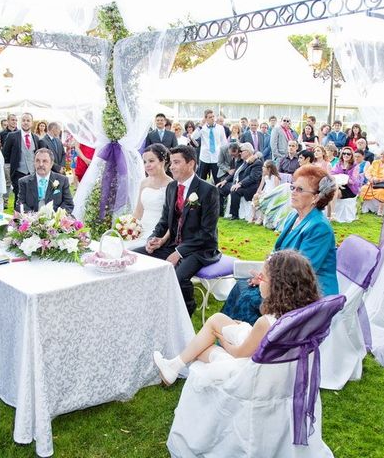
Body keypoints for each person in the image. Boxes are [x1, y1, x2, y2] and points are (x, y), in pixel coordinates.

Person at [153, 250, 321, 385]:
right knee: (217, 319)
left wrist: (221, 339)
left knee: (203, 348)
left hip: (252, 372)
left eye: (261, 277)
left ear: (278, 286)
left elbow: (239, 354)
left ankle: (174, 366)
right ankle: (174, 366)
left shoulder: (265, 322)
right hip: (278, 363)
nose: (257, 280)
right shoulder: (303, 313)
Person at [222, 166, 338, 325]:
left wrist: (266, 281)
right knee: (241, 287)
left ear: (316, 198)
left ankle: (247, 345)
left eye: (300, 189)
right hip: (282, 282)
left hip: (308, 292)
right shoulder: (294, 216)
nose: (293, 192)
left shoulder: (320, 228)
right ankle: (228, 336)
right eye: (293, 187)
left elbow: (302, 273)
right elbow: (276, 252)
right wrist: (263, 275)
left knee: (248, 299)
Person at [134, 145, 221, 316]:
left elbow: (207, 233)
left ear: (190, 164)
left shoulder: (208, 191)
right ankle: (148, 303)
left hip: (200, 249)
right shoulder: (172, 187)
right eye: (171, 162)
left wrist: (179, 253)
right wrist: (154, 238)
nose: (171, 166)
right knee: (137, 256)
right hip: (174, 244)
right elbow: (164, 221)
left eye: (176, 162)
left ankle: (186, 311)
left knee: (178, 277)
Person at [132, 144, 172, 242]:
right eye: (145, 162)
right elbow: (138, 211)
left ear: (162, 161)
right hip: (141, 229)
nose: (147, 165)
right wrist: (130, 228)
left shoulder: (171, 185)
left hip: (160, 232)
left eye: (151, 161)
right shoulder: (144, 182)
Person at [17, 148, 73, 214]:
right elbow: (20, 204)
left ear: (51, 164)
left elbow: (68, 203)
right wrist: (33, 217)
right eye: (37, 161)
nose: (40, 164)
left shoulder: (62, 180)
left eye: (44, 161)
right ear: (34, 163)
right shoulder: (24, 182)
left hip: (55, 220)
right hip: (32, 220)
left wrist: (56, 217)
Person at [218, 143, 263, 220]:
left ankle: (234, 215)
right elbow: (235, 173)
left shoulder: (256, 162)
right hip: (236, 183)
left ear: (248, 152)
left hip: (249, 186)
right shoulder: (241, 161)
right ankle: (219, 212)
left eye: (241, 151)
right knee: (219, 188)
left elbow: (252, 178)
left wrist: (240, 184)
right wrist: (225, 181)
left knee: (235, 191)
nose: (240, 153)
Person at [3, 112, 39, 200]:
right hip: (18, 173)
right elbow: (5, 153)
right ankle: (17, 213)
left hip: (33, 173)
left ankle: (31, 214)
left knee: (32, 198)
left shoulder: (36, 138)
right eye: (23, 120)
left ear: (32, 123)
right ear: (20, 122)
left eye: (28, 120)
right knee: (19, 198)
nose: (25, 122)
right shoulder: (12, 136)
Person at [192, 109, 226, 183]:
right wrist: (200, 125)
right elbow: (193, 137)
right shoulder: (202, 128)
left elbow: (224, 143)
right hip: (205, 157)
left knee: (218, 180)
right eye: (210, 117)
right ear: (206, 118)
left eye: (213, 116)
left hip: (217, 158)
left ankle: (218, 194)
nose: (212, 118)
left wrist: (224, 157)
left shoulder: (220, 128)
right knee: (201, 180)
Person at [360, 150, 384, 216]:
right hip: (373, 183)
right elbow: (367, 172)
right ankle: (365, 207)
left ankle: (380, 210)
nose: (382, 156)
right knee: (363, 189)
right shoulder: (375, 162)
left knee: (381, 192)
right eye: (381, 154)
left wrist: (380, 180)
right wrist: (371, 179)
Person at [250, 160, 280, 225]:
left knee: (262, 199)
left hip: (271, 195)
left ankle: (261, 217)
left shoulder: (275, 178)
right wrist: (258, 193)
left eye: (264, 166)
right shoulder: (265, 177)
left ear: (269, 169)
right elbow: (261, 187)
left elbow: (276, 190)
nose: (262, 168)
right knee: (255, 196)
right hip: (265, 193)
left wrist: (266, 194)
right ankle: (253, 216)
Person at [0, 113, 18, 206]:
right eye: (12, 120)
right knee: (7, 183)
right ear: (8, 121)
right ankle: (5, 202)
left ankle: (18, 200)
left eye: (15, 120)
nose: (14, 122)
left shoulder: (19, 132)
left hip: (17, 162)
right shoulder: (2, 133)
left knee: (18, 183)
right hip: (7, 162)